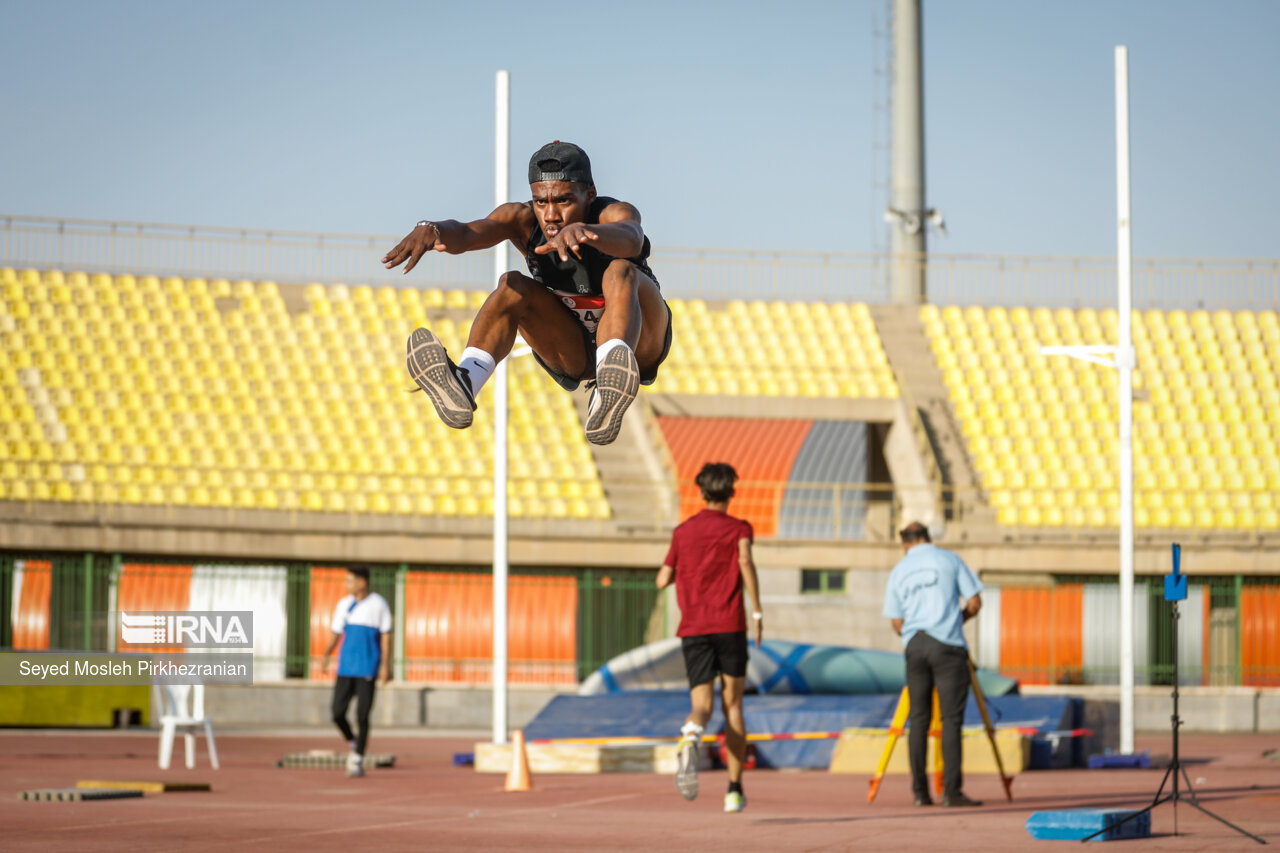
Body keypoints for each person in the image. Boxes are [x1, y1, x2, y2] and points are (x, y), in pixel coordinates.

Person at [384, 140, 672, 446]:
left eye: (563, 201)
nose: (550, 215)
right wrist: (434, 229)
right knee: (512, 284)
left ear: (589, 196)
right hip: (570, 348)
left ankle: (610, 383)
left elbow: (632, 237)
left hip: (639, 342)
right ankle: (466, 381)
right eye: (541, 202)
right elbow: (468, 233)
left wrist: (589, 234)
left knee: (620, 271)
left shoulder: (611, 213)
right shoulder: (521, 220)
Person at [656, 462, 763, 813]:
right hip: (730, 625)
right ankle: (733, 790)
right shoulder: (740, 528)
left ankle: (690, 735)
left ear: (701, 491)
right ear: (732, 492)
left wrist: (687, 571)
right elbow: (745, 560)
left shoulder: (683, 531)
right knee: (733, 706)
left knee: (701, 706)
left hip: (695, 629)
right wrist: (758, 610)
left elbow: (661, 580)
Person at [881, 521, 984, 807]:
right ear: (928, 537)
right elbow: (975, 602)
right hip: (948, 644)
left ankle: (919, 793)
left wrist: (915, 634)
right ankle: (951, 792)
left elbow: (896, 622)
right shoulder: (949, 559)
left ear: (905, 543)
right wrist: (956, 621)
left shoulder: (899, 570)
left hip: (915, 645)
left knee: (919, 720)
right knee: (951, 720)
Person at [321, 566, 393, 778]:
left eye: (349, 581)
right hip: (346, 668)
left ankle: (358, 757)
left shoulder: (379, 604)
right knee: (337, 712)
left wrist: (385, 665)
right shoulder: (344, 604)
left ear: (362, 582)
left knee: (362, 715)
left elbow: (386, 636)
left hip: (367, 668)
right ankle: (353, 740)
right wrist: (326, 654)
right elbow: (336, 632)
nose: (346, 585)